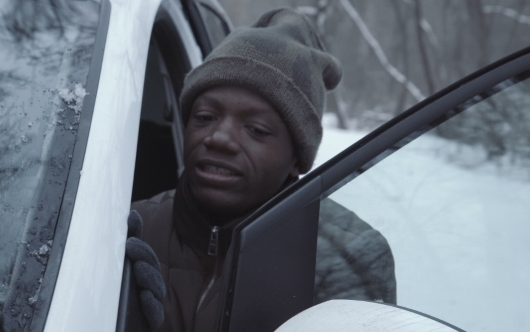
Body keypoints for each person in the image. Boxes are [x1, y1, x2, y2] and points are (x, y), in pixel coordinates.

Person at [125, 8, 396, 331]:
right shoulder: (130, 228)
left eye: (256, 129)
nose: (220, 138)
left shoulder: (347, 257)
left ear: (297, 157)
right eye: (205, 118)